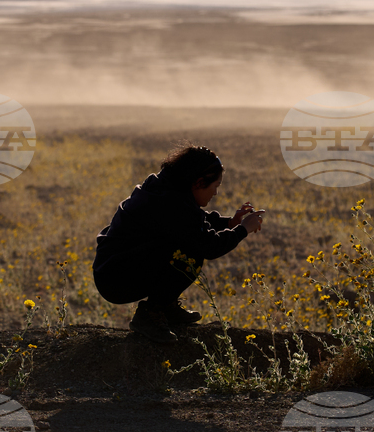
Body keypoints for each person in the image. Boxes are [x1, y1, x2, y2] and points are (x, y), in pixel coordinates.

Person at [92, 143, 264, 343]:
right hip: (116, 280)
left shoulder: (166, 189)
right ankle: (151, 314)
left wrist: (230, 222)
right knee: (190, 254)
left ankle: (166, 308)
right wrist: (243, 229)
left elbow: (193, 221)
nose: (215, 193)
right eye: (215, 186)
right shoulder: (171, 203)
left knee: (185, 244)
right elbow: (209, 245)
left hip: (112, 269)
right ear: (198, 182)